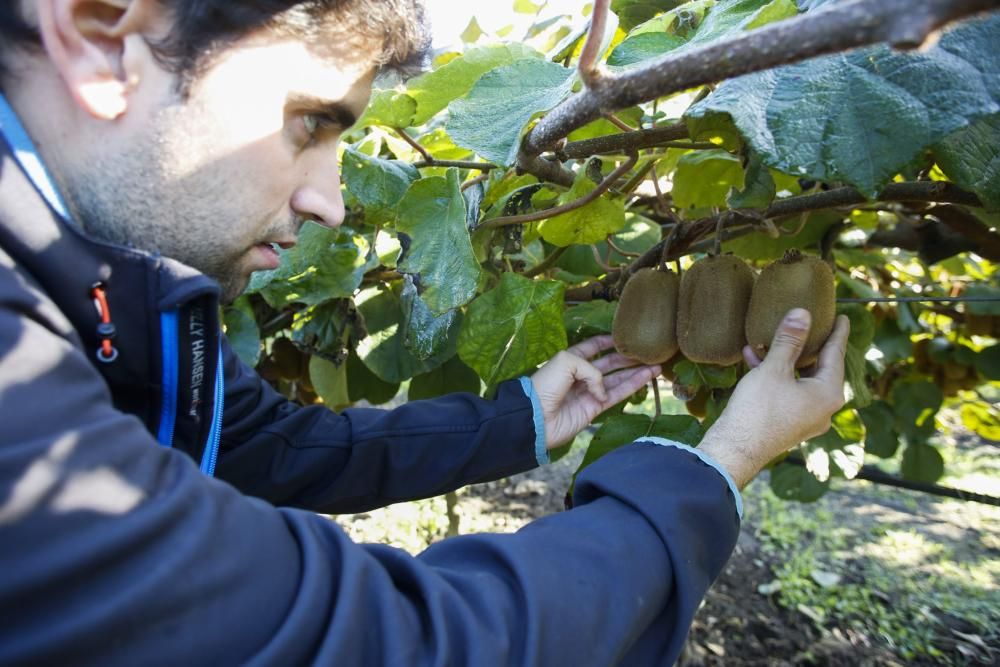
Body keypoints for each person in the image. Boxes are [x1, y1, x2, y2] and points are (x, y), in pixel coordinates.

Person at [0, 0, 850, 664]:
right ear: (103, 41)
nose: (330, 200)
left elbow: (261, 443)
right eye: (309, 121)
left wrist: (520, 418)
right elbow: (379, 646)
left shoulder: (93, 289)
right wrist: (718, 466)